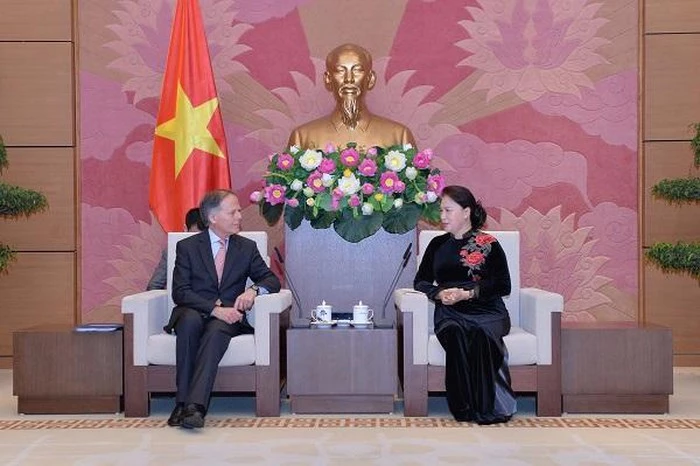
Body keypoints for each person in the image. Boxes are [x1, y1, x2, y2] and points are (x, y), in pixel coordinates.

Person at [165, 189, 281, 429]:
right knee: (188, 322)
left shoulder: (246, 248)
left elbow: (271, 280)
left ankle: (193, 406)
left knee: (217, 329)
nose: (240, 216)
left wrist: (253, 291)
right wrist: (214, 308)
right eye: (233, 212)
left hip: (227, 318)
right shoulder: (187, 247)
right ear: (213, 217)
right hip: (194, 310)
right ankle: (182, 402)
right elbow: (181, 292)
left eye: (239, 210)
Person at [414, 185, 516, 424]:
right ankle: (463, 408)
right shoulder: (437, 245)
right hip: (450, 311)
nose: (442, 217)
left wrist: (468, 294)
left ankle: (488, 406)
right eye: (441, 211)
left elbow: (504, 285)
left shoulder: (489, 243)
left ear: (466, 212)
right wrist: (439, 294)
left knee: (481, 332)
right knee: (455, 332)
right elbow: (420, 281)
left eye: (448, 210)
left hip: (488, 310)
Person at [288, 43, 416, 149]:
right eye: (340, 71)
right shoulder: (303, 137)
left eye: (357, 70)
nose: (349, 79)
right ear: (328, 79)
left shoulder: (399, 136)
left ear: (370, 79)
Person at [146, 208, 205, 291]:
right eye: (195, 235)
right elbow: (154, 286)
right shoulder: (172, 251)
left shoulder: (221, 250)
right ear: (185, 229)